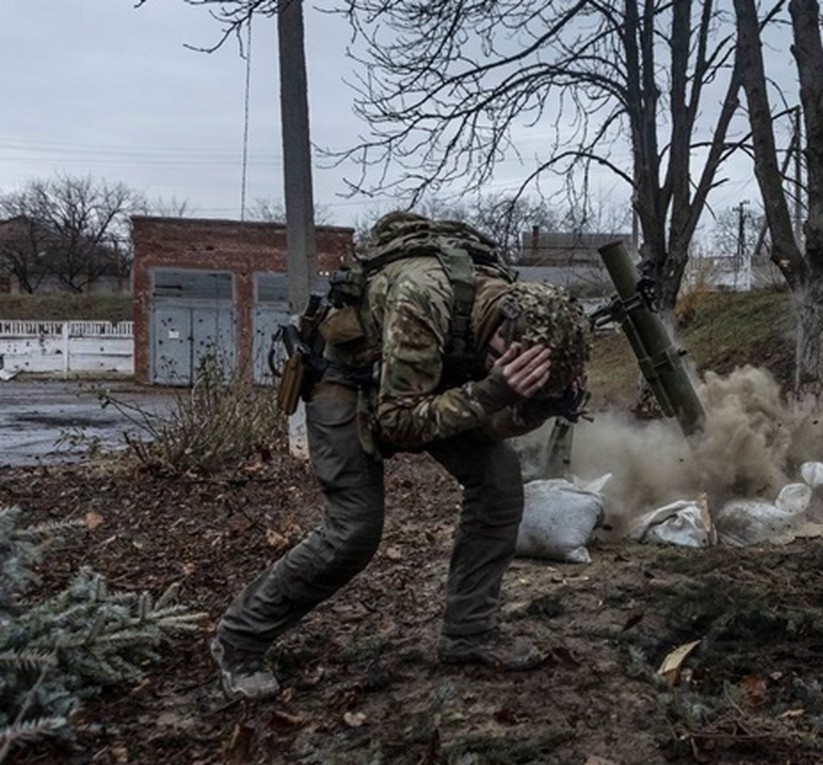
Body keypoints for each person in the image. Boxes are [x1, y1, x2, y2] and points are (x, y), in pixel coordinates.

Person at [210, 211, 590, 701]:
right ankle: (240, 640)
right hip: (346, 379)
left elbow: (488, 419)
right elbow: (399, 423)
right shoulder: (423, 298)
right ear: (500, 342)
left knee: (499, 483)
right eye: (517, 372)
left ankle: (468, 634)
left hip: (426, 383)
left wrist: (535, 408)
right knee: (355, 529)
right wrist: (492, 391)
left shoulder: (522, 310)